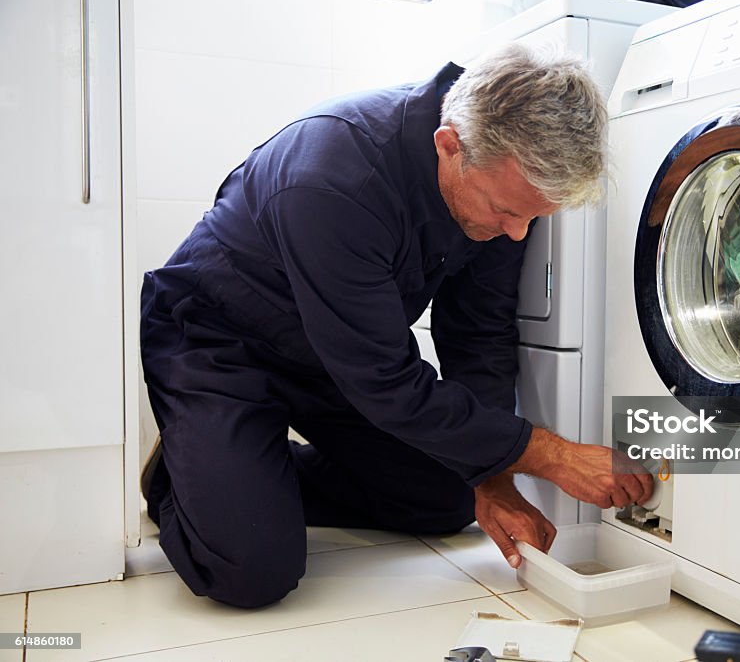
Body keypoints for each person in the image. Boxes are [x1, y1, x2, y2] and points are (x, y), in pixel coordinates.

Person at [140, 43, 653, 609]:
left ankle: (251, 472)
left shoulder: (497, 187)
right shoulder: (334, 175)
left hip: (331, 356)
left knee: (448, 498)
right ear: (450, 146)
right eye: (507, 212)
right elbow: (385, 382)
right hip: (218, 340)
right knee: (249, 571)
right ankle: (188, 475)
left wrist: (495, 479)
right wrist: (553, 454)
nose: (516, 233)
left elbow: (477, 334)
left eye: (533, 216)